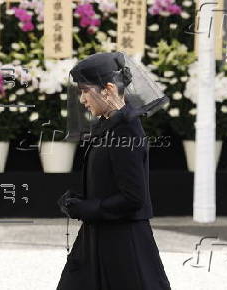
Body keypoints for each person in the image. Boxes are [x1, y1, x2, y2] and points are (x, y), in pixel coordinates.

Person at [56, 52, 171, 290]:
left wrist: (88, 208)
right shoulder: (111, 125)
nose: (82, 99)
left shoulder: (125, 130)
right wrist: (79, 201)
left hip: (122, 246)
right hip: (100, 237)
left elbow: (133, 198)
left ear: (108, 88)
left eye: (85, 90)